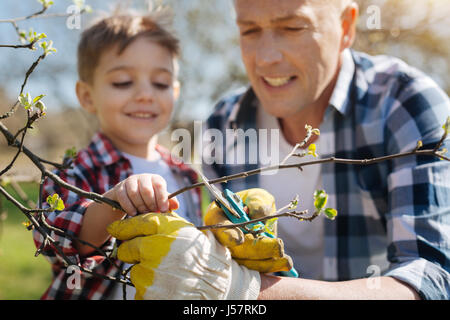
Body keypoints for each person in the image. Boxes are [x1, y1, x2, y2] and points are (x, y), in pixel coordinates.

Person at [110, 0, 450, 300]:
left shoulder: (405, 105)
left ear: (346, 27)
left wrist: (240, 292)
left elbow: (432, 279)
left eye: (292, 27)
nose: (266, 57)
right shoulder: (224, 124)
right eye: (250, 30)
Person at [32, 9, 205, 300]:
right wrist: (114, 201)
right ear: (87, 96)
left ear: (174, 92)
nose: (145, 94)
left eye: (160, 83)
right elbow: (57, 241)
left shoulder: (185, 174)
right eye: (123, 81)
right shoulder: (75, 171)